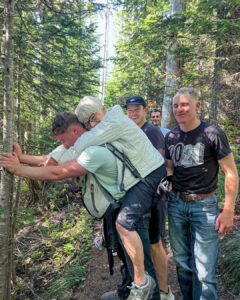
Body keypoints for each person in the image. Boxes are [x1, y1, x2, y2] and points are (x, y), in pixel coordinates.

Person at [1, 106, 167, 300]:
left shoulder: (94, 151)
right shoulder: (81, 144)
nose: (63, 145)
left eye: (63, 140)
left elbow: (57, 172)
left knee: (140, 265)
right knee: (125, 258)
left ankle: (149, 293)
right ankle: (126, 292)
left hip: (130, 205)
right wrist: (21, 159)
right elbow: (52, 160)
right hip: (117, 206)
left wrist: (19, 170)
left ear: (74, 131)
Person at [165, 87, 239, 300]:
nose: (180, 109)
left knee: (205, 272)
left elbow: (230, 172)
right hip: (176, 204)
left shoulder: (212, 134)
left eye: (185, 104)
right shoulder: (171, 136)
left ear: (197, 106)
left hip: (204, 206)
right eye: (176, 105)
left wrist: (227, 210)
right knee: (182, 263)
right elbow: (170, 166)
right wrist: (167, 181)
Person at [125, 96, 174, 300]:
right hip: (139, 195)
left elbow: (158, 164)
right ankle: (149, 287)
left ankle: (163, 292)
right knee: (145, 243)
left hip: (153, 196)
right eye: (130, 109)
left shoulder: (151, 131)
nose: (133, 113)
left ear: (145, 110)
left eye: (137, 109)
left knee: (155, 243)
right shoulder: (131, 131)